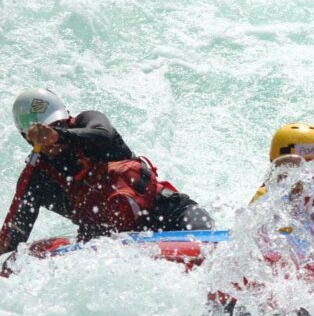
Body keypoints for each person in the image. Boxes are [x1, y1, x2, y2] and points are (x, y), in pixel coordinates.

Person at [0, 88, 213, 254]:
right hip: (110, 242)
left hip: (167, 214)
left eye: (55, 125)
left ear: (65, 119)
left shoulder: (90, 125)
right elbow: (15, 236)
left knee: (202, 228)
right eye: (38, 136)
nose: (48, 140)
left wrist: (58, 134)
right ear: (28, 139)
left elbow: (104, 134)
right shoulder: (39, 177)